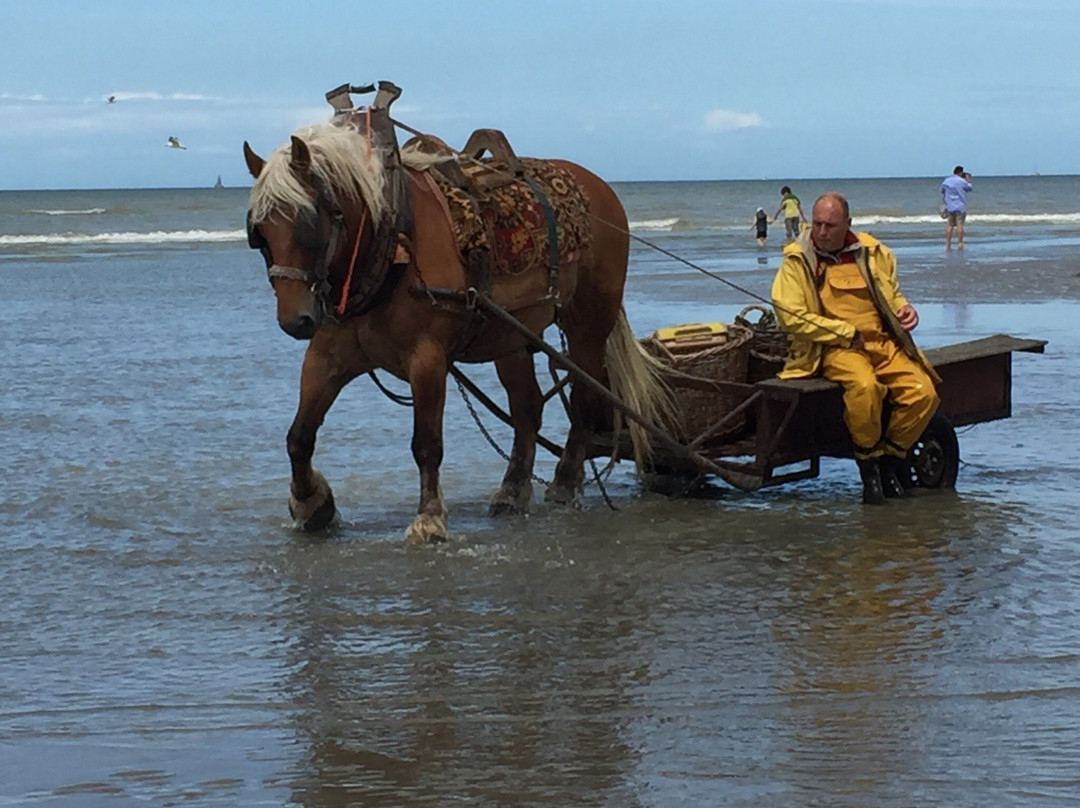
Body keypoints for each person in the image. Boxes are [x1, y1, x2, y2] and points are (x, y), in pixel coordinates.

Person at [770, 192, 942, 504]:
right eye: (818, 224)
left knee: (923, 393)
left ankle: (891, 457)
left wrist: (905, 310)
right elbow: (791, 316)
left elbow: (893, 295)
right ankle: (870, 470)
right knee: (865, 388)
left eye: (830, 226)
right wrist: (844, 333)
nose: (822, 232)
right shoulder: (797, 259)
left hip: (883, 342)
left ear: (848, 224)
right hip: (835, 348)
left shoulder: (874, 252)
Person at [940, 165, 973, 249]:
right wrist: (968, 180)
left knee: (950, 225)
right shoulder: (961, 181)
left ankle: (947, 244)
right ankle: (960, 242)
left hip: (949, 206)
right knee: (960, 225)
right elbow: (969, 188)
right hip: (959, 206)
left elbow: (942, 191)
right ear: (960, 172)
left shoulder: (946, 181)